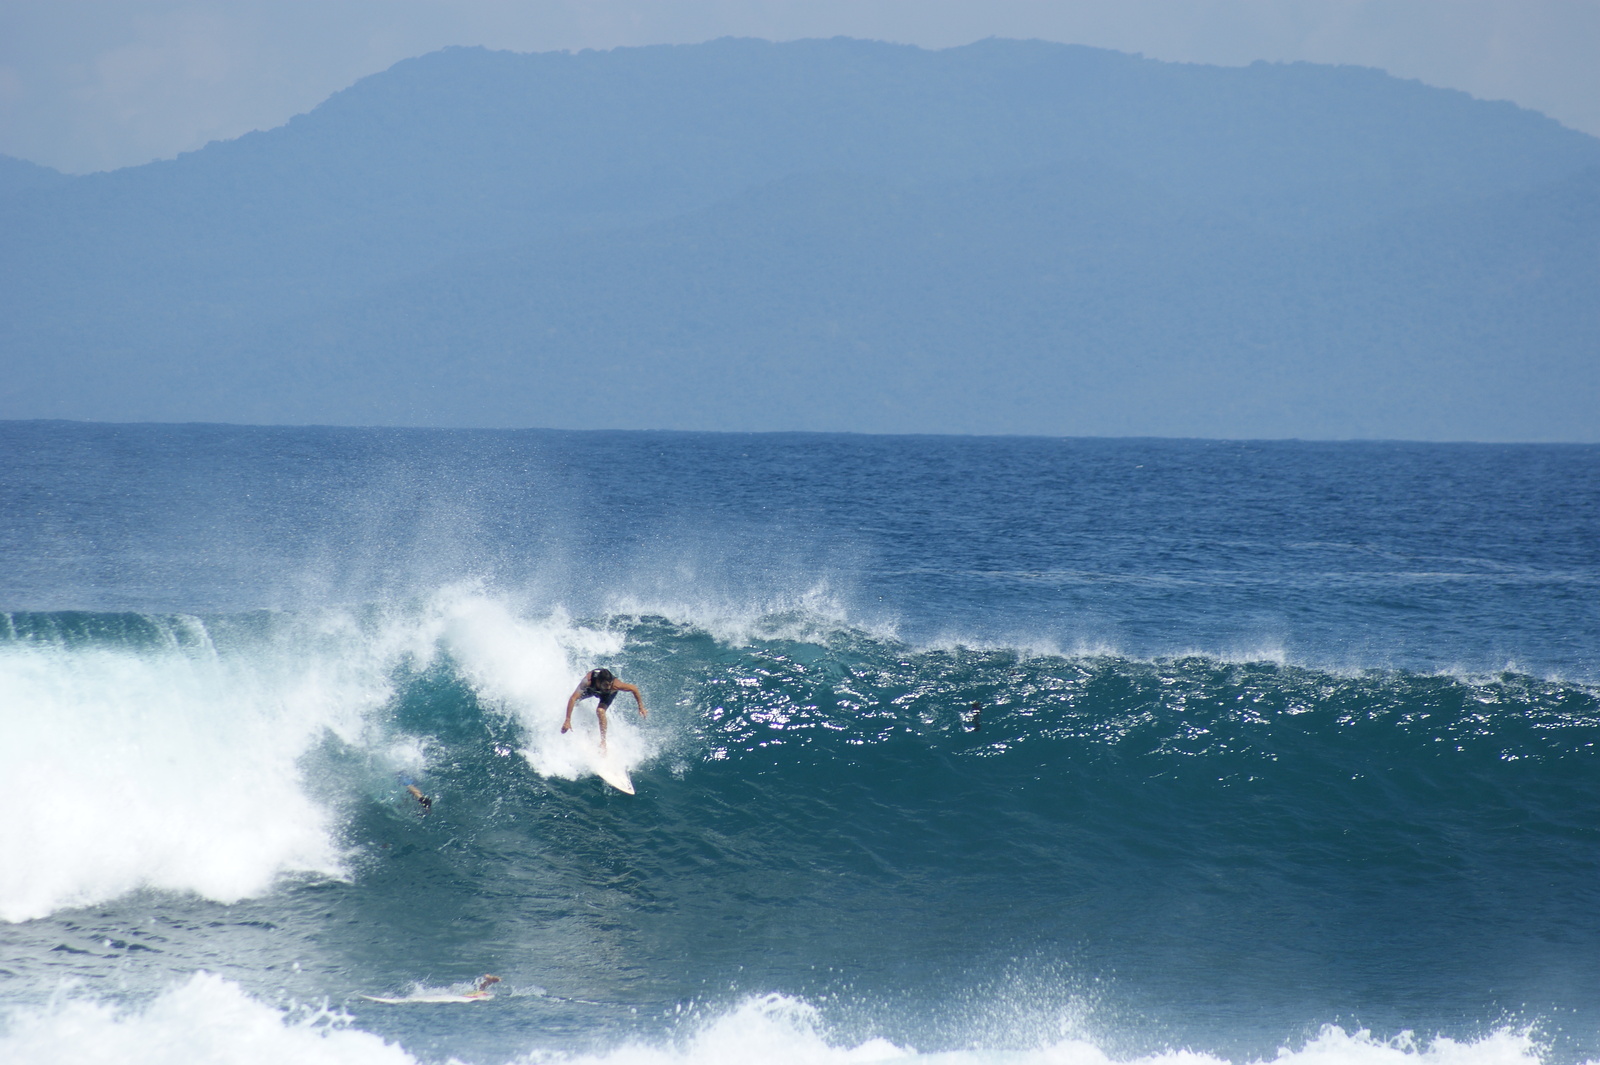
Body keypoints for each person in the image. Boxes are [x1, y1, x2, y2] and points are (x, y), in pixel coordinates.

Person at [562, 668, 647, 752]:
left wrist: (641, 707)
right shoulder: (587, 682)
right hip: (592, 690)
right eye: (606, 685)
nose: (608, 687)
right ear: (598, 682)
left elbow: (634, 688)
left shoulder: (614, 685)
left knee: (600, 711)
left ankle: (603, 741)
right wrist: (567, 720)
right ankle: (582, 720)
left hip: (607, 695)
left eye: (610, 684)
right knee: (575, 702)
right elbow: (573, 698)